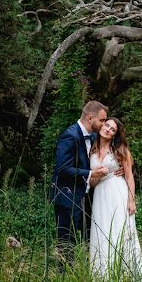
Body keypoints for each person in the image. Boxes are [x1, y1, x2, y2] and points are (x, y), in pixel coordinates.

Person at [50, 100, 110, 259]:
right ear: (90, 118)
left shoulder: (95, 137)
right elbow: (62, 169)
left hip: (87, 198)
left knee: (90, 238)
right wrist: (91, 174)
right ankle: (63, 278)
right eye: (102, 120)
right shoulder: (70, 136)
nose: (104, 124)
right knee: (66, 243)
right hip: (67, 198)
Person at [89, 117, 142, 278]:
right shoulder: (91, 149)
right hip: (100, 196)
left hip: (118, 193)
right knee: (103, 233)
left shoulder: (121, 151)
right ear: (102, 126)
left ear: (115, 134)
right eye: (106, 125)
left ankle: (127, 276)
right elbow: (91, 182)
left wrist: (131, 200)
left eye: (112, 129)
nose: (107, 129)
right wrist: (97, 175)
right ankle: (103, 277)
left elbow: (129, 177)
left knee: (120, 231)